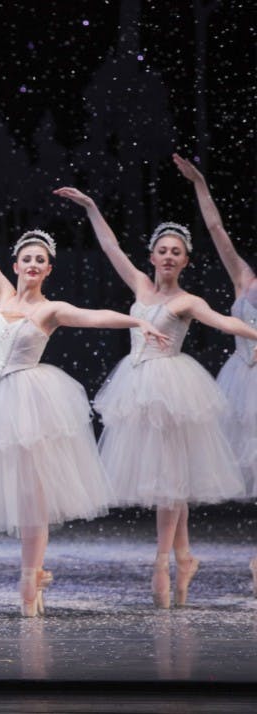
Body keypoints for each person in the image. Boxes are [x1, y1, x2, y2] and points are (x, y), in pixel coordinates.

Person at [0, 179, 169, 617]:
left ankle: (30, 575)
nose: (31, 265)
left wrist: (137, 324)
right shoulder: (2, 294)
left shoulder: (51, 309)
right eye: (26, 258)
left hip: (33, 399)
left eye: (39, 261)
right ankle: (34, 573)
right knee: (15, 490)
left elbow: (95, 317)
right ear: (17, 264)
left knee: (34, 493)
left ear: (48, 270)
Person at [55, 185, 257, 608]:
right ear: (152, 257)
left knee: (170, 482)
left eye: (176, 252)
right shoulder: (141, 287)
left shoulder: (188, 300)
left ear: (185, 261)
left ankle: (163, 561)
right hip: (137, 387)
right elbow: (111, 248)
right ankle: (183, 557)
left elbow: (224, 323)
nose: (168, 256)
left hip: (172, 390)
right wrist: (92, 206)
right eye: (162, 250)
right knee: (171, 481)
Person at [172, 152, 257, 596]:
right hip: (239, 381)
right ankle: (182, 554)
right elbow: (217, 230)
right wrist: (200, 184)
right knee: (194, 461)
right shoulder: (244, 278)